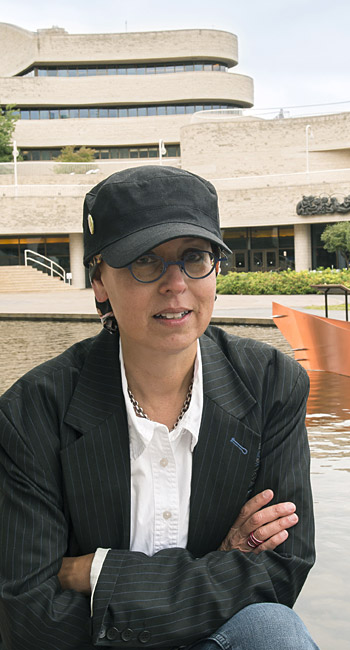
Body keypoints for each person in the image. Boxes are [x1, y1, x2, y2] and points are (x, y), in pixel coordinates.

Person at [0, 166, 317, 649]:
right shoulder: (30, 413)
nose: (175, 284)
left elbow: (281, 571)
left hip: (210, 637)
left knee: (273, 630)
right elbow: (27, 614)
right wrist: (224, 562)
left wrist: (99, 571)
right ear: (100, 281)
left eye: (195, 257)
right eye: (146, 261)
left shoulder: (272, 385)